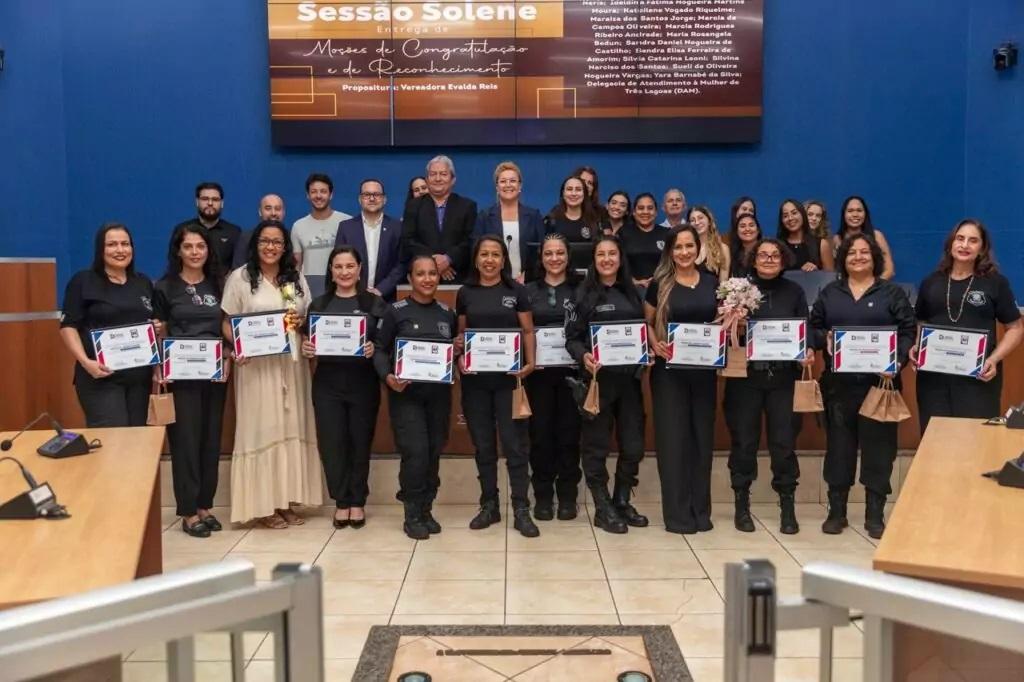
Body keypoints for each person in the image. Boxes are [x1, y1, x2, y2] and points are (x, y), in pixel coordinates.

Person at [810, 233, 915, 539]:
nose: (858, 257)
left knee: (879, 450)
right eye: (851, 252)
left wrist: (896, 360)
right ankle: (837, 512)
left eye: (864, 252)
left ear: (875, 257)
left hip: (880, 386)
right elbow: (813, 327)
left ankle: (874, 514)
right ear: (843, 259)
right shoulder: (830, 292)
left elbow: (908, 331)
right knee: (839, 449)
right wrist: (823, 339)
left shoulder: (891, 293)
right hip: (838, 387)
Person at [221, 220, 322, 528]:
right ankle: (263, 505)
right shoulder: (240, 278)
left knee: (290, 428)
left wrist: (302, 331)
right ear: (255, 244)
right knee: (262, 429)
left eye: (277, 242)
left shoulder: (292, 278)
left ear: (285, 247)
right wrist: (236, 345)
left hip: (291, 365)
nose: (271, 247)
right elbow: (227, 321)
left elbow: (300, 318)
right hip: (255, 368)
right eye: (265, 241)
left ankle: (286, 500)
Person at [724, 239, 812, 535]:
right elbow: (723, 332)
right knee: (744, 441)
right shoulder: (738, 290)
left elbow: (807, 331)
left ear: (784, 260)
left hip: (784, 379)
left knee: (784, 443)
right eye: (763, 255)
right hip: (746, 379)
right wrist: (733, 325)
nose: (769, 259)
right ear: (753, 259)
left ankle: (787, 505)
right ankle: (741, 504)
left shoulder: (795, 292)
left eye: (775, 255)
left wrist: (808, 348)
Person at [456, 236, 539, 537]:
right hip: (476, 383)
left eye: (495, 255)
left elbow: (528, 329)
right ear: (476, 259)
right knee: (484, 447)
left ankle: (521, 508)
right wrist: (460, 356)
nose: (489, 260)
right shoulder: (466, 292)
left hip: (509, 383)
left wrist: (530, 363)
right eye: (484, 254)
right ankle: (489, 505)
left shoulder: (516, 291)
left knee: (515, 446)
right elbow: (462, 335)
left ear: (504, 260)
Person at [565, 235, 649, 534]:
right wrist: (584, 356)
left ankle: (622, 499)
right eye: (601, 254)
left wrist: (648, 351)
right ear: (594, 260)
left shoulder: (635, 293)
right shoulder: (582, 294)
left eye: (612, 253)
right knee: (596, 446)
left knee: (633, 444)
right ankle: (602, 507)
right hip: (597, 384)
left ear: (620, 257)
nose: (607, 259)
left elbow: (647, 331)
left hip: (629, 382)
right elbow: (571, 338)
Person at [301, 246, 387, 529]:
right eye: (338, 267)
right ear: (331, 271)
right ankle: (341, 501)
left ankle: (358, 501)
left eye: (350, 266)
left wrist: (375, 347)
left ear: (359, 269)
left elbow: (386, 342)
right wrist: (308, 348)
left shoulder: (373, 303)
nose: (344, 272)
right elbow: (306, 342)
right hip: (327, 384)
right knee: (332, 443)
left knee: (360, 443)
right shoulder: (319, 305)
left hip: (363, 383)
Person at [375, 254, 458, 540]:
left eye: (432, 274)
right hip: (406, 396)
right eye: (420, 274)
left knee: (435, 449)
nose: (427, 279)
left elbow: (452, 352)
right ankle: (411, 512)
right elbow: (379, 350)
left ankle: (426, 508)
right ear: (410, 279)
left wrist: (459, 352)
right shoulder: (394, 311)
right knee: (416, 452)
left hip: (438, 397)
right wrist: (388, 377)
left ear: (438, 277)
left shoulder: (447, 314)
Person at [154, 224, 229, 538]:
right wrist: (158, 368)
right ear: (178, 251)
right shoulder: (164, 288)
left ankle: (205, 505)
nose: (195, 252)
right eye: (189, 247)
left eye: (201, 246)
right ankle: (187, 510)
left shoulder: (218, 285)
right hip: (180, 377)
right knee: (185, 442)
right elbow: (158, 332)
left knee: (210, 440)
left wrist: (227, 358)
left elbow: (227, 327)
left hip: (214, 376)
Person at [912, 219, 1022, 432]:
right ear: (950, 243)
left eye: (973, 241)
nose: (965, 245)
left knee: (975, 442)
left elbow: (1016, 328)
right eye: (960, 239)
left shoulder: (995, 283)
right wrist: (919, 347)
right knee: (936, 442)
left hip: (978, 380)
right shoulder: (931, 282)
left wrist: (994, 359)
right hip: (934, 381)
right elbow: (921, 320)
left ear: (982, 248)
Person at [644, 226, 719, 533]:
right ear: (670, 251)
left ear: (698, 248)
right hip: (669, 374)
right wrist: (654, 343)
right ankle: (677, 515)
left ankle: (701, 511)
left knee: (702, 442)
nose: (684, 252)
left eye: (690, 246)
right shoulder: (659, 284)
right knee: (673, 443)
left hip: (704, 374)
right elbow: (646, 322)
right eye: (678, 247)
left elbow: (722, 323)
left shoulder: (714, 283)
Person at [60, 223, 159, 427]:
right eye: (112, 244)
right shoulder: (83, 281)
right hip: (101, 376)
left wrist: (156, 327)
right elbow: (68, 326)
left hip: (139, 378)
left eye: (125, 244)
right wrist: (86, 363)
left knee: (138, 442)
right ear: (100, 249)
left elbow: (152, 322)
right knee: (113, 444)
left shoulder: (143, 282)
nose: (120, 250)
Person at [524, 234, 583, 521]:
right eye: (549, 253)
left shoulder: (581, 289)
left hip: (573, 373)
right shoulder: (528, 291)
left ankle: (568, 495)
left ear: (568, 257)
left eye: (560, 253)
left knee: (570, 435)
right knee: (541, 436)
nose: (555, 258)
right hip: (539, 375)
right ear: (541, 258)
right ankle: (544, 496)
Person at [402, 155, 478, 282]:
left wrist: (448, 259)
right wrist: (434, 262)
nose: (438, 178)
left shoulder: (467, 206)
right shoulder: (413, 206)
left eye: (443, 174)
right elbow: (408, 240)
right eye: (433, 174)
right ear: (427, 179)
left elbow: (470, 241)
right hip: (422, 276)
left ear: (452, 179)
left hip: (457, 277)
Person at [473, 161, 545, 282]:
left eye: (512, 181)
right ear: (497, 187)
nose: (508, 185)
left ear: (520, 186)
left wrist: (527, 276)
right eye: (503, 181)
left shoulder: (534, 216)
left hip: (528, 283)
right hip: (493, 282)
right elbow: (475, 251)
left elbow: (543, 250)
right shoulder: (484, 217)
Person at [335, 179, 404, 301]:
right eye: (366, 195)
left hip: (386, 299)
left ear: (384, 199)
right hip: (352, 296)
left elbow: (401, 264)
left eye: (376, 194)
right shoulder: (346, 227)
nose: (372, 198)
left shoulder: (397, 227)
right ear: (359, 199)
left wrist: (381, 290)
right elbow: (339, 264)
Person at [172, 182, 241, 276]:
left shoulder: (234, 232)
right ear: (197, 202)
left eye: (215, 199)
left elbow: (238, 267)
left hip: (223, 288)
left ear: (222, 203)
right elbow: (174, 264)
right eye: (205, 199)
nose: (210, 203)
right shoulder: (182, 229)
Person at [292, 173, 352, 279]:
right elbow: (296, 266)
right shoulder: (298, 226)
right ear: (308, 195)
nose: (318, 196)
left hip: (341, 282)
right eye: (313, 192)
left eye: (323, 191)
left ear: (331, 194)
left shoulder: (347, 222)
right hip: (309, 286)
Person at [833, 196, 895, 279]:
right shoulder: (837, 239)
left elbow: (889, 270)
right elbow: (834, 271)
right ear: (844, 214)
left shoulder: (877, 236)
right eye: (850, 211)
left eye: (859, 210)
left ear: (865, 214)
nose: (855, 214)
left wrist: (875, 287)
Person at [618, 192, 669, 289]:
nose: (645, 212)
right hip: (630, 289)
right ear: (634, 212)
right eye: (641, 208)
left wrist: (658, 281)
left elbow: (672, 265)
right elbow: (618, 263)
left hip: (662, 288)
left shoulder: (666, 233)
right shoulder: (624, 233)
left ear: (656, 212)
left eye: (650, 208)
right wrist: (633, 281)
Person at [778, 199, 834, 272]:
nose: (790, 218)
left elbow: (830, 277)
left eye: (794, 213)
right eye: (785, 215)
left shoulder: (821, 244)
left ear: (802, 215)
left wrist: (816, 272)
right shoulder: (777, 245)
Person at [233, 194, 285, 270]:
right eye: (268, 208)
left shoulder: (290, 237)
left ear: (283, 212)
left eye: (277, 209)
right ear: (260, 212)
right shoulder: (246, 237)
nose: (273, 213)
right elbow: (238, 268)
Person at [688, 205, 731, 279]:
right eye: (692, 220)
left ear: (709, 221)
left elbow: (723, 285)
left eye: (700, 218)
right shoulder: (686, 248)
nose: (697, 222)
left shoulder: (723, 249)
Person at [728, 212, 762, 278]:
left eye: (751, 225)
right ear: (737, 232)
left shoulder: (765, 250)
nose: (747, 229)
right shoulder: (732, 253)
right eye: (742, 226)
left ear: (758, 230)